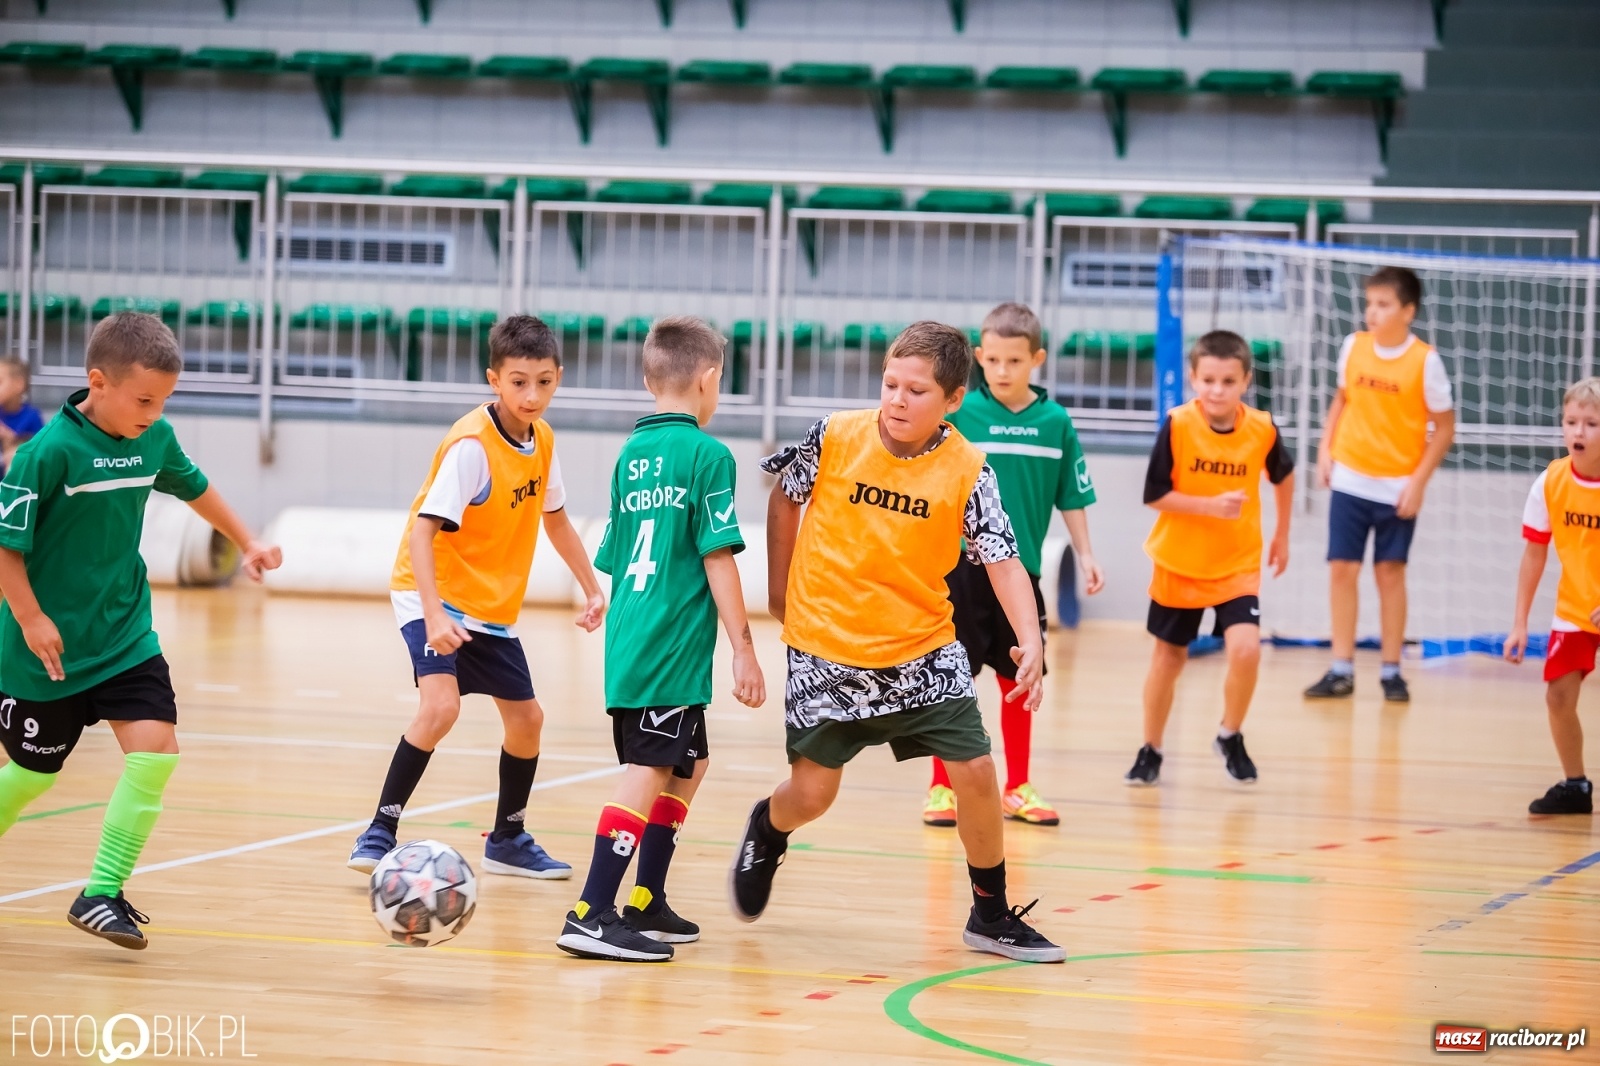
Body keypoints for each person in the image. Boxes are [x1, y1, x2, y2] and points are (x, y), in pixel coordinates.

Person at [729, 321, 1065, 963]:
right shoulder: (835, 436)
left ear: (953, 400)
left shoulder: (969, 467)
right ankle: (767, 829)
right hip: (828, 642)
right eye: (890, 384)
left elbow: (1002, 558)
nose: (897, 400)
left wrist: (1032, 640)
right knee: (813, 795)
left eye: (916, 391)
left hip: (922, 647)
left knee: (975, 771)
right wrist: (778, 591)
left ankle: (990, 912)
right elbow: (783, 499)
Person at [0, 312, 281, 949]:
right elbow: (5, 549)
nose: (154, 413)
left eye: (165, 401)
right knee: (31, 775)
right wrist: (31, 617)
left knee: (155, 751)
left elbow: (195, 488)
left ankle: (101, 893)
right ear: (98, 382)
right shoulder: (45, 455)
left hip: (126, 633)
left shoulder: (153, 438)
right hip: (46, 647)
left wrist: (248, 540)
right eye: (145, 399)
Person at [348, 315, 605, 879]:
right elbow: (422, 531)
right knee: (441, 707)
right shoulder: (472, 446)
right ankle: (378, 831)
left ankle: (508, 839)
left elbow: (556, 521)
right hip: (430, 593)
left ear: (559, 376)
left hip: (489, 606)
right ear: (494, 379)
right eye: (518, 381)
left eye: (543, 380)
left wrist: (592, 586)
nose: (531, 394)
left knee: (528, 720)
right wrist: (435, 613)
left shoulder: (543, 440)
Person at [557, 316, 766, 962]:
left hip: (633, 638)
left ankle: (645, 898)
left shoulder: (631, 456)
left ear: (650, 380)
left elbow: (619, 558)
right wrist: (744, 646)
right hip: (669, 648)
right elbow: (718, 557)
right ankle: (592, 909)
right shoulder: (709, 456)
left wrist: (602, 610)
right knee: (648, 768)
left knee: (689, 762)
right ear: (709, 380)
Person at [924, 301, 1103, 828]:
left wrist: (1086, 552)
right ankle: (941, 788)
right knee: (949, 680)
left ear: (1037, 360)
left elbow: (1073, 494)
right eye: (993, 360)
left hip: (1019, 575)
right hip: (958, 572)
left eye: (1014, 361)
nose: (1002, 371)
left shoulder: (1055, 422)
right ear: (978, 357)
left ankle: (1018, 786)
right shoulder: (958, 417)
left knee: (1018, 680)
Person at [1125, 331, 1294, 788]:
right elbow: (1154, 494)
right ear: (1194, 379)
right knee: (1169, 659)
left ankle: (1230, 733)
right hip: (1179, 562)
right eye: (1208, 380)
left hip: (1237, 563)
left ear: (1245, 380)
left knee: (1246, 649)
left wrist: (1281, 533)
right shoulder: (1178, 425)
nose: (1216, 390)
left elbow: (1284, 474)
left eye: (1227, 380)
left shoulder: (1262, 427)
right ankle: (1151, 748)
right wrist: (1210, 505)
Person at [1305, 266, 1455, 703]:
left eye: (1384, 304)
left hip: (1397, 487)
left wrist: (1418, 483)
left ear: (1408, 311)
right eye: (1369, 302)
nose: (1372, 311)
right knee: (1341, 570)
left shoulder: (1425, 361)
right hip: (1351, 478)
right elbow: (1342, 399)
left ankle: (1391, 670)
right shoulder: (1353, 346)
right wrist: (1324, 449)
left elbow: (1444, 429)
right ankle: (1340, 669)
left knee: (1389, 573)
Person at [1504, 377, 1600, 815]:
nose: (1578, 432)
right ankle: (1576, 786)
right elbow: (1534, 553)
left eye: (1591, 424)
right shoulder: (1551, 483)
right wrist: (1520, 622)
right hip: (1576, 608)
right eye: (1571, 422)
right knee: (1558, 697)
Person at [0, 355, 46, 474]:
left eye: (0, 382)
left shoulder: (32, 417)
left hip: (18, 482)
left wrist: (8, 437)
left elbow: (39, 454)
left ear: (18, 384)